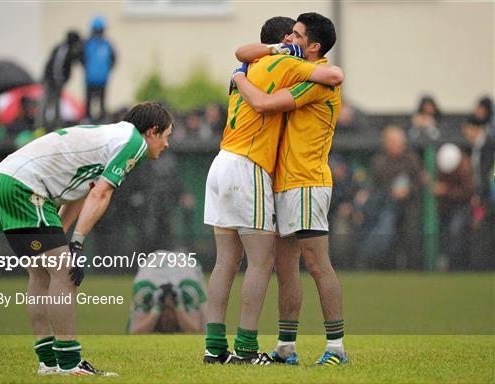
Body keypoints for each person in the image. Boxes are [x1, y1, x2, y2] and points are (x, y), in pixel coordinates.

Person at [0, 102, 173, 376]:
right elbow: (101, 194)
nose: (167, 144)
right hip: (24, 186)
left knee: (41, 274)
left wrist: (65, 240)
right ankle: (69, 364)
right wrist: (75, 245)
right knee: (64, 272)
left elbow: (82, 192)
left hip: (2, 180)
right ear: (153, 132)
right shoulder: (134, 143)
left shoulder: (110, 137)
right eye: (167, 135)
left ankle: (48, 362)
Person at [203, 15, 343, 365]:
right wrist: (275, 52)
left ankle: (335, 348)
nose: (292, 39)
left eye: (298, 35)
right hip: (259, 172)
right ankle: (281, 346)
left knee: (308, 263)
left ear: (312, 45)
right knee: (274, 264)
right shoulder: (282, 64)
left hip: (302, 180)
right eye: (289, 34)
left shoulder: (262, 68)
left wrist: (238, 76)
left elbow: (332, 76)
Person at [355, 126, 423, 270]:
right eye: (393, 141)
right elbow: (372, 185)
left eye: (400, 140)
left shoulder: (411, 159)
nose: (398, 144)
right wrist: (365, 193)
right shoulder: (379, 161)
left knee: (409, 230)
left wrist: (407, 191)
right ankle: (370, 264)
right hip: (385, 206)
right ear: (386, 143)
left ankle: (414, 269)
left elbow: (419, 183)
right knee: (378, 225)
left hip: (409, 206)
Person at [127, 251, 208, 334]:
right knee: (132, 327)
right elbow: (135, 332)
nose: (167, 319)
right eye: (165, 315)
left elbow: (194, 330)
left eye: (168, 313)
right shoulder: (144, 290)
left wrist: (178, 306)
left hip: (186, 265)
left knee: (205, 325)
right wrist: (157, 308)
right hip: (152, 265)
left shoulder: (189, 289)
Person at [433, 143, 474, 270]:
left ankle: (456, 267)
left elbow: (467, 193)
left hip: (462, 206)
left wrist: (446, 191)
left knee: (456, 233)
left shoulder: (465, 168)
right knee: (446, 235)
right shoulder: (439, 163)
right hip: (445, 207)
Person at [461, 116, 495, 269]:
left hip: (489, 197)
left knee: (485, 229)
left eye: (467, 128)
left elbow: (488, 173)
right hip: (484, 197)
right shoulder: (476, 147)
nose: (465, 132)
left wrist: (480, 195)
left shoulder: (489, 145)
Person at [38, 31, 83, 130]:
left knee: (56, 102)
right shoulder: (63, 49)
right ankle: (41, 126)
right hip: (52, 80)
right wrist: (58, 80)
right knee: (48, 102)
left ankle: (56, 123)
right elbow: (57, 66)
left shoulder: (65, 49)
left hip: (56, 80)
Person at [83, 16, 116, 122]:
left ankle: (90, 119)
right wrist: (106, 70)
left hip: (92, 78)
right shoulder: (106, 44)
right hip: (100, 78)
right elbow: (113, 60)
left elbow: (82, 59)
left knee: (92, 102)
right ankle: (99, 119)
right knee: (98, 102)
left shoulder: (88, 43)